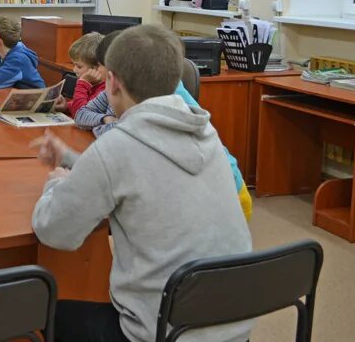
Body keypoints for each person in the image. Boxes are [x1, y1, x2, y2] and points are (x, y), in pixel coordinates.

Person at [31, 25, 252, 342]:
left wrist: (55, 183)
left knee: (53, 314)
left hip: (162, 332)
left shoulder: (118, 146)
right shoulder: (206, 134)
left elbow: (54, 230)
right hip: (234, 326)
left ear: (113, 82)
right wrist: (69, 158)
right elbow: (134, 173)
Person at [76, 30, 253, 221]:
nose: (101, 74)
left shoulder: (152, 93)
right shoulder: (132, 86)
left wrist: (104, 124)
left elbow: (117, 133)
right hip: (203, 188)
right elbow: (84, 116)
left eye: (101, 67)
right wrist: (104, 120)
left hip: (226, 193)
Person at [53, 32, 105, 116]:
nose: (74, 69)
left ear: (97, 68)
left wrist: (83, 83)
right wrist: (66, 106)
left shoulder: (104, 90)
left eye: (79, 66)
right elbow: (84, 104)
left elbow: (81, 115)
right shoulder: (94, 84)